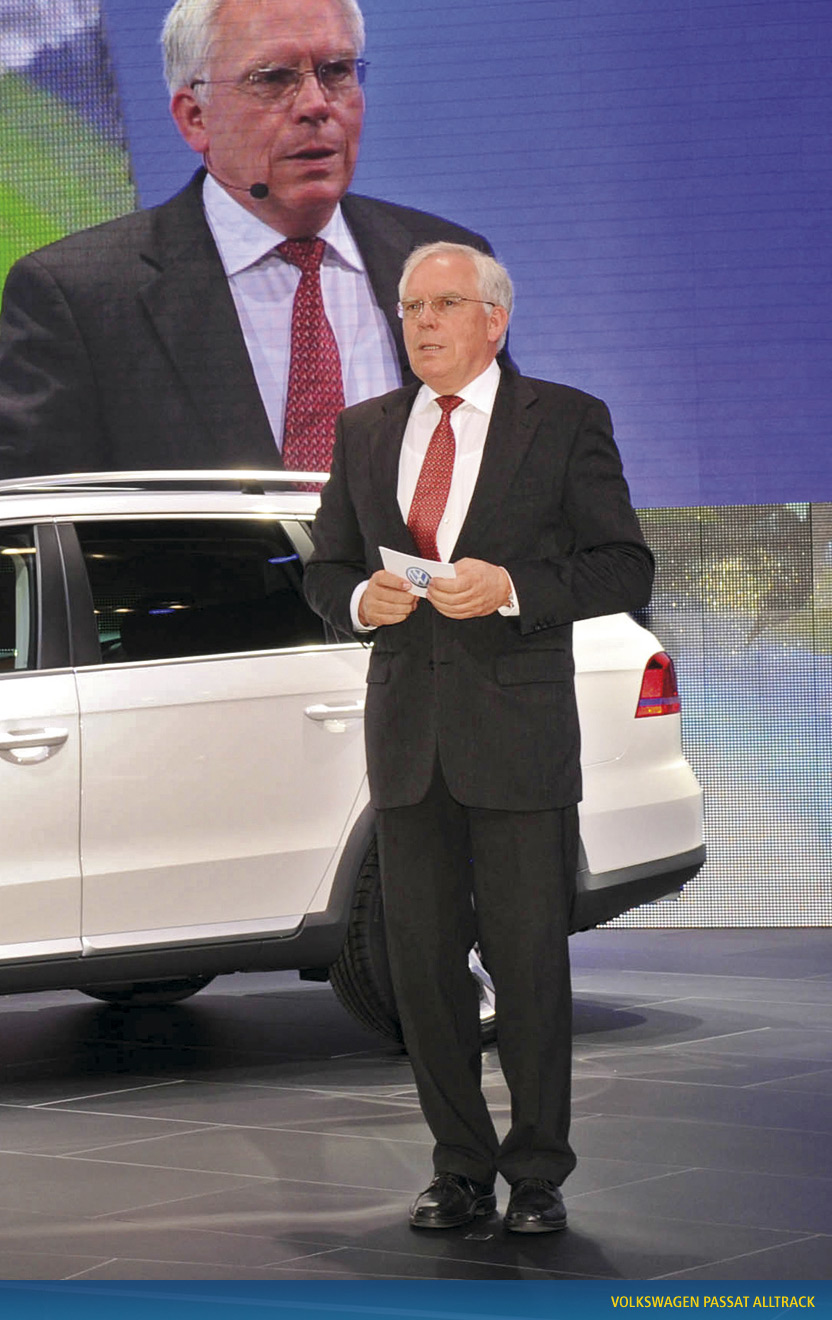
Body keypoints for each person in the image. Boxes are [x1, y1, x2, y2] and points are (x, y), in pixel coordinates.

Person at [301, 243, 653, 1233]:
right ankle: (458, 1168)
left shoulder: (564, 420)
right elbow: (323, 570)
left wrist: (513, 589)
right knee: (420, 972)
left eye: (444, 304)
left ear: (494, 320)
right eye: (410, 306)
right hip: (408, 745)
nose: (422, 322)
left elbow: (623, 566)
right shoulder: (365, 429)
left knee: (528, 963)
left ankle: (536, 1172)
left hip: (517, 739)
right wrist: (356, 602)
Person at [0, 0, 500, 483]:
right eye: (273, 79)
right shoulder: (82, 297)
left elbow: (512, 481)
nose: (316, 105)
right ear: (195, 117)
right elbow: (9, 521)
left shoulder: (447, 260)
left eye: (336, 71)